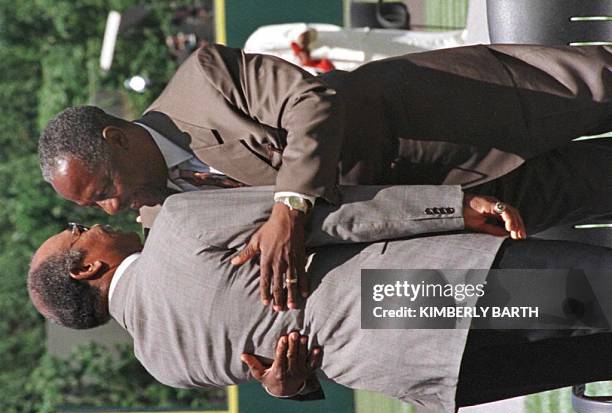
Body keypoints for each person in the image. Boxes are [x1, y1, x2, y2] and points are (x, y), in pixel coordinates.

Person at [38, 43, 612, 312]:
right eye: (97, 207)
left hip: (458, 111)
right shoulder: (164, 225)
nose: (112, 208)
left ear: (116, 138)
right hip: (461, 212)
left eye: (105, 188)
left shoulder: (203, 82)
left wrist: (290, 208)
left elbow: (309, 101)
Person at [27, 186, 612, 413]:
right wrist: (453, 208)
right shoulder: (176, 226)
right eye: (78, 235)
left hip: (415, 374)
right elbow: (334, 217)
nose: (85, 227)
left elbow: (286, 374)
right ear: (87, 269)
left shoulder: (163, 364)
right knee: (606, 295)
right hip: (419, 300)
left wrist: (294, 387)